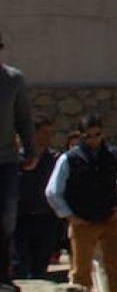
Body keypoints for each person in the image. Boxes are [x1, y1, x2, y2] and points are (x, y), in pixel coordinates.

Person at [47, 113, 117, 292]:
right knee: (81, 269)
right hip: (82, 220)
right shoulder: (69, 158)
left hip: (110, 217)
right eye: (88, 136)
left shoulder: (115, 155)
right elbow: (52, 191)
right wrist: (68, 216)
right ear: (81, 136)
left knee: (115, 265)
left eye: (97, 135)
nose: (93, 140)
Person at [0, 28, 32, 292]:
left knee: (7, 218)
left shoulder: (13, 79)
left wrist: (30, 149)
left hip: (6, 160)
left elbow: (23, 118)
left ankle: (3, 275)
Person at [15, 115, 60, 280]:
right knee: (19, 264)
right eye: (44, 132)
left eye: (51, 132)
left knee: (41, 265)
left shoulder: (55, 159)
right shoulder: (16, 158)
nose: (49, 137)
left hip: (46, 218)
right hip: (20, 218)